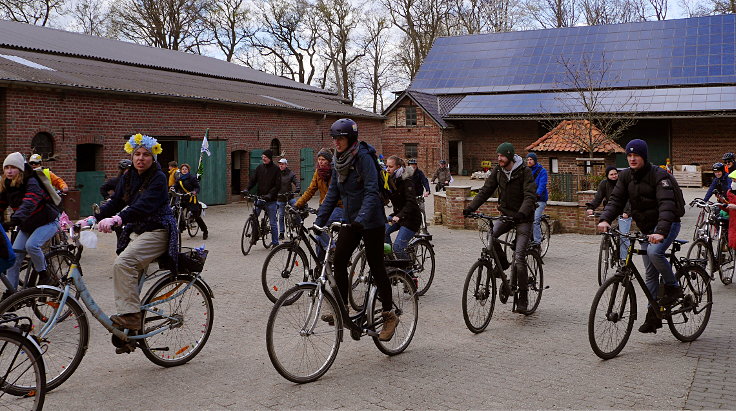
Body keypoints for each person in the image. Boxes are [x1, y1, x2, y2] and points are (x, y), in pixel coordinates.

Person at [79, 134, 177, 332]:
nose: (140, 158)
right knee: (127, 270)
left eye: (146, 155)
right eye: (137, 154)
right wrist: (93, 218)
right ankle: (130, 332)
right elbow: (116, 202)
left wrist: (118, 219)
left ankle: (131, 318)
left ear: (153, 157)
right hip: (139, 229)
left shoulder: (158, 178)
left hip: (158, 229)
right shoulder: (128, 176)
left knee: (123, 264)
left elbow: (143, 205)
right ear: (132, 157)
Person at [315, 118, 398, 341]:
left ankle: (389, 314)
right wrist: (319, 221)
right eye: (334, 139)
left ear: (350, 138)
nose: (336, 142)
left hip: (371, 221)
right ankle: (342, 308)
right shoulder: (338, 159)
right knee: (339, 259)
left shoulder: (363, 157)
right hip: (351, 221)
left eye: (340, 138)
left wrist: (362, 218)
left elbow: (372, 191)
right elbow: (333, 193)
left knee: (375, 263)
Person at [598, 139, 684, 334]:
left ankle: (673, 287)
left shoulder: (659, 175)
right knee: (650, 273)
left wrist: (661, 232)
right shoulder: (626, 176)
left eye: (636, 155)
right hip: (647, 228)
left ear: (644, 156)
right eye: (629, 155)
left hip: (668, 224)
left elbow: (667, 206)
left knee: (654, 253)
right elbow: (616, 200)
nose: (632, 158)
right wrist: (605, 219)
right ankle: (652, 316)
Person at [462, 142, 537, 313]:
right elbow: (485, 191)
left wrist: (521, 213)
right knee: (491, 236)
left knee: (519, 257)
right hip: (506, 215)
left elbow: (530, 196)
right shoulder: (498, 171)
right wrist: (471, 208)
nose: (499, 159)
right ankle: (503, 263)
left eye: (501, 156)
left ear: (509, 156)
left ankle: (523, 297)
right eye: (498, 156)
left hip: (523, 218)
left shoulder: (524, 171)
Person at [0, 152, 60, 299]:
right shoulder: (7, 184)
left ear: (20, 169)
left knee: (32, 246)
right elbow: (0, 204)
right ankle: (12, 295)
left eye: (13, 167)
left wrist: (15, 219)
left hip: (47, 221)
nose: (9, 171)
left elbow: (30, 201)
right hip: (27, 225)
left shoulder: (31, 181)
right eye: (6, 167)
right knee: (14, 257)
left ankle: (45, 275)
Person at [294, 149, 342, 260]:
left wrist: (324, 207)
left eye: (323, 159)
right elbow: (310, 190)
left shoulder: (335, 172)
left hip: (338, 207)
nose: (320, 162)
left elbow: (332, 193)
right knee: (318, 239)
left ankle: (334, 250)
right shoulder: (318, 173)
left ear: (329, 161)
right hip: (324, 208)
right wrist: (297, 204)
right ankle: (322, 267)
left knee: (319, 226)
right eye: (319, 159)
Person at [586, 166, 632, 260]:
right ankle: (606, 241)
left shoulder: (623, 183)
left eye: (615, 174)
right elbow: (598, 197)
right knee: (604, 224)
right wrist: (591, 207)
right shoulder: (604, 184)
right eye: (611, 174)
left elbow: (629, 199)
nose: (614, 176)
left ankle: (624, 262)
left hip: (624, 211)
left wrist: (627, 212)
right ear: (607, 176)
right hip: (611, 209)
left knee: (624, 237)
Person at [384, 156, 421, 259]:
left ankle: (409, 273)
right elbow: (385, 197)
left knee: (398, 247)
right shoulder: (390, 180)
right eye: (387, 166)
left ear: (398, 167)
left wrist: (399, 216)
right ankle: (391, 262)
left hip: (411, 219)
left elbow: (411, 202)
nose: (387, 169)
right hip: (398, 216)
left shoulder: (407, 180)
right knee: (383, 230)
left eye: (390, 167)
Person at [246, 149, 280, 246]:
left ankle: (275, 243)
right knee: (253, 217)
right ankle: (255, 236)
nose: (263, 159)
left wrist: (270, 195)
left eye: (265, 157)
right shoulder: (259, 168)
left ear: (269, 158)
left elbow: (277, 185)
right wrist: (247, 189)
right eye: (262, 157)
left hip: (271, 200)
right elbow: (253, 180)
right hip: (260, 197)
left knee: (273, 222)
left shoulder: (276, 169)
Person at [175, 163, 208, 240]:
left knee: (196, 216)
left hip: (191, 199)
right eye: (183, 169)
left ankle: (205, 230)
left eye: (186, 169)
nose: (184, 170)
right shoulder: (179, 179)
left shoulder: (192, 178)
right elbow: (176, 186)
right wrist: (172, 188)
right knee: (177, 211)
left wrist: (194, 192)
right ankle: (181, 226)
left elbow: (197, 187)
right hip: (183, 198)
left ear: (188, 170)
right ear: (181, 170)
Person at [526, 153, 548, 247]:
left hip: (539, 199)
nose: (529, 161)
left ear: (535, 160)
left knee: (535, 219)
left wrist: (537, 194)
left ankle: (537, 242)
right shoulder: (526, 171)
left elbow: (542, 185)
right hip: (529, 198)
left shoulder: (542, 171)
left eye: (531, 159)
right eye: (527, 159)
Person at [276, 158, 300, 240]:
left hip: (289, 197)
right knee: (281, 216)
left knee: (297, 210)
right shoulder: (276, 174)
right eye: (280, 164)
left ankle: (299, 227)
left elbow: (296, 181)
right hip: (280, 198)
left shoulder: (290, 174)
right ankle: (281, 233)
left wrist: (298, 187)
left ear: (286, 165)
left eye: (282, 164)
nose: (281, 166)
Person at [408, 158, 431, 234]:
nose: (413, 168)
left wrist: (427, 191)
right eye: (411, 166)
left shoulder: (419, 173)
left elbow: (424, 181)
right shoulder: (406, 173)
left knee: (422, 212)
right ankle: (415, 230)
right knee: (411, 214)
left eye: (414, 166)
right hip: (410, 197)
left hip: (419, 196)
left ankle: (424, 229)